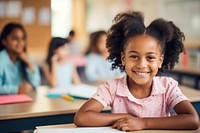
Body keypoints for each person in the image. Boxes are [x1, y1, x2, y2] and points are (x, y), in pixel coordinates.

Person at [74, 11, 199, 131]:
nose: (141, 65)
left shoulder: (167, 87)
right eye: (134, 57)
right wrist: (126, 117)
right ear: (123, 58)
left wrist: (143, 123)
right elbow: (81, 117)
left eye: (150, 57)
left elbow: (193, 120)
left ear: (160, 61)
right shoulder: (112, 87)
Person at [0, 22, 41, 94]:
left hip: (21, 101)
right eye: (15, 38)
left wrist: (29, 63)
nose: (20, 42)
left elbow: (36, 83)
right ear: (4, 41)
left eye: (23, 39)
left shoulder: (26, 57)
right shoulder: (1, 59)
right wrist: (17, 89)